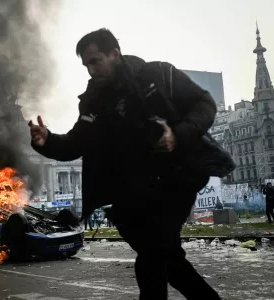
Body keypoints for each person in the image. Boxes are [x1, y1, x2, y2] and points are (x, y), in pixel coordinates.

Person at [29, 28, 234, 300]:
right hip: (130, 194)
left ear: (114, 54)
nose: (91, 70)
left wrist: (178, 134)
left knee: (152, 257)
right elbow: (76, 143)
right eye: (86, 65)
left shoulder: (158, 75)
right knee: (169, 260)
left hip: (175, 180)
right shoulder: (93, 102)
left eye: (95, 61)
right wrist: (48, 141)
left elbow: (205, 104)